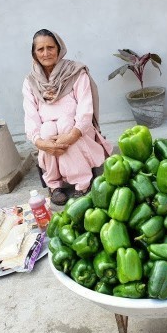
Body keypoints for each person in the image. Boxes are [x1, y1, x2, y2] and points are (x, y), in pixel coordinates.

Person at [22, 29, 113, 206]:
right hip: (48, 132)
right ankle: (55, 185)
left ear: (59, 48)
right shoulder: (30, 81)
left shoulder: (76, 72)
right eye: (40, 49)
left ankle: (83, 183)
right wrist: (40, 141)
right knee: (47, 130)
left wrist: (71, 135)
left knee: (65, 125)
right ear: (34, 53)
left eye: (50, 47)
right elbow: (30, 114)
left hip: (78, 129)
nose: (46, 53)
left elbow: (86, 110)